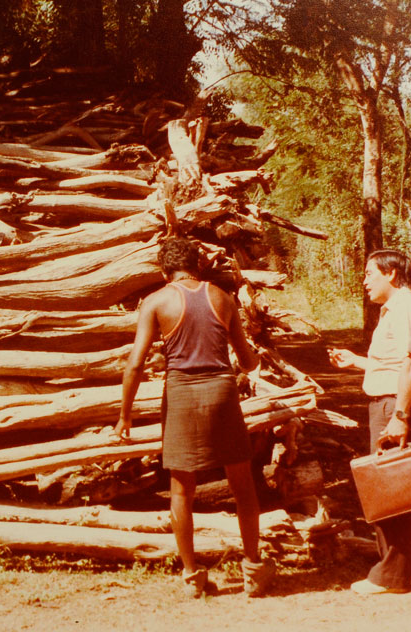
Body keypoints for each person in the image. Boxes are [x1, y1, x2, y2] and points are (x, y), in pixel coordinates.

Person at [115, 237, 274, 598]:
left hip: (182, 394)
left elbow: (136, 363)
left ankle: (192, 576)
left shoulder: (156, 302)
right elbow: (247, 360)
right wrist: (249, 364)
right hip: (221, 392)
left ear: (163, 270)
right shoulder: (222, 297)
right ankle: (253, 568)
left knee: (181, 488)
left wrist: (124, 415)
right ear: (198, 266)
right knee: (242, 483)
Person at [328, 250, 411, 595]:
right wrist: (357, 361)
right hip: (392, 402)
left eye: (370, 273)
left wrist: (400, 416)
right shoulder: (395, 309)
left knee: (391, 490)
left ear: (390, 273)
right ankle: (410, 568)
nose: (365, 280)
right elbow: (392, 363)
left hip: (396, 406)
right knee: (405, 488)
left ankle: (390, 576)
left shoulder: (407, 307)